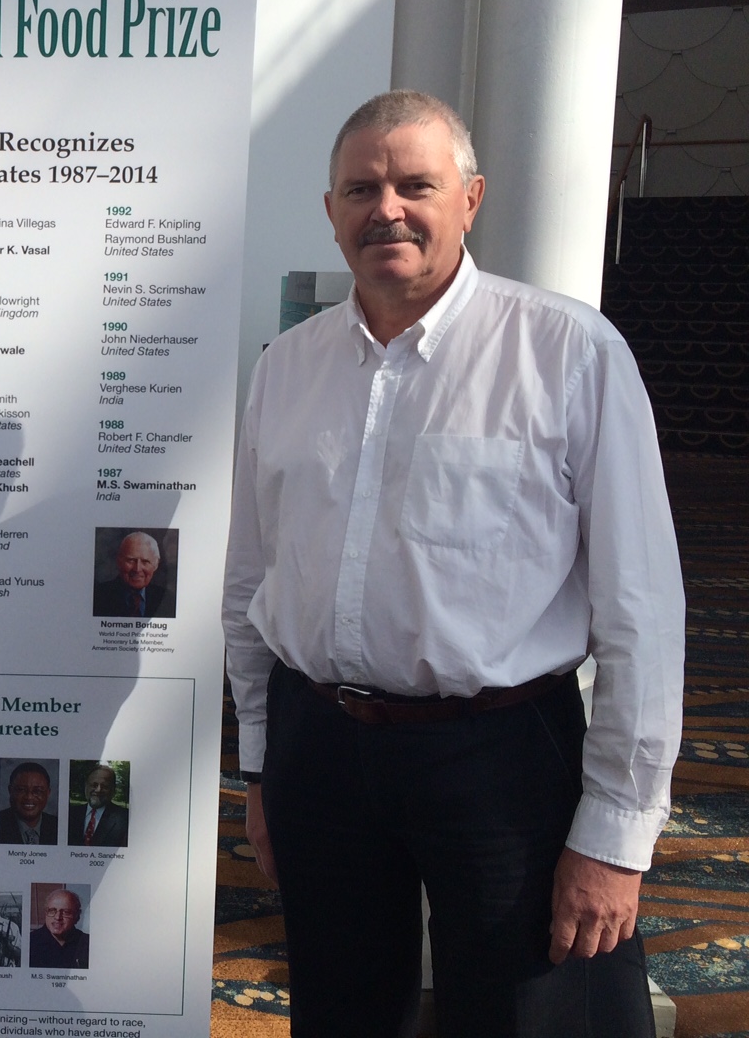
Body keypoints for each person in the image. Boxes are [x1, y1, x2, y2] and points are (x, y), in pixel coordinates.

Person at [223, 91, 685, 1037]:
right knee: (341, 1018)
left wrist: (616, 835)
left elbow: (642, 610)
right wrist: (263, 768)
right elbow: (250, 582)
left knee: (532, 1018)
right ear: (331, 211)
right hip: (321, 747)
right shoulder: (287, 367)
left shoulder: (568, 353)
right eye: (361, 189)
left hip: (501, 756)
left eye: (415, 185)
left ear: (470, 200)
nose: (386, 209)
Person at [91, 531, 174, 618]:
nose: (137, 569)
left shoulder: (167, 601)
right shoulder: (97, 598)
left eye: (145, 562)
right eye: (131, 560)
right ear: (119, 561)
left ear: (156, 564)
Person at [0, 762, 58, 845]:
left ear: (48, 793)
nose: (29, 797)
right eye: (21, 790)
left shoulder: (58, 826)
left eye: (37, 791)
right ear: (10, 791)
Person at [67, 764, 129, 847]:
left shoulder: (125, 819)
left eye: (105, 786)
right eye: (94, 785)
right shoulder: (70, 814)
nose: (98, 790)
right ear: (86, 786)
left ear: (113, 790)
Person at [28, 889, 89, 969]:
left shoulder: (88, 942)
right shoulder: (29, 942)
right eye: (52, 911)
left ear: (77, 916)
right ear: (46, 913)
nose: (57, 917)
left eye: (66, 912)